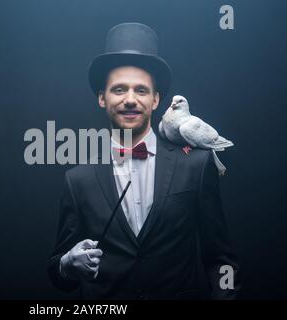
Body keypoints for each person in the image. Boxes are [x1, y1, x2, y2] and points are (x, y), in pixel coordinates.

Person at [48, 22, 241, 299]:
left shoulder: (196, 166)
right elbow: (58, 275)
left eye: (140, 90)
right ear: (102, 98)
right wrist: (66, 265)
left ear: (155, 100)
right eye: (118, 90)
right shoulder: (77, 180)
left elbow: (221, 258)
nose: (130, 100)